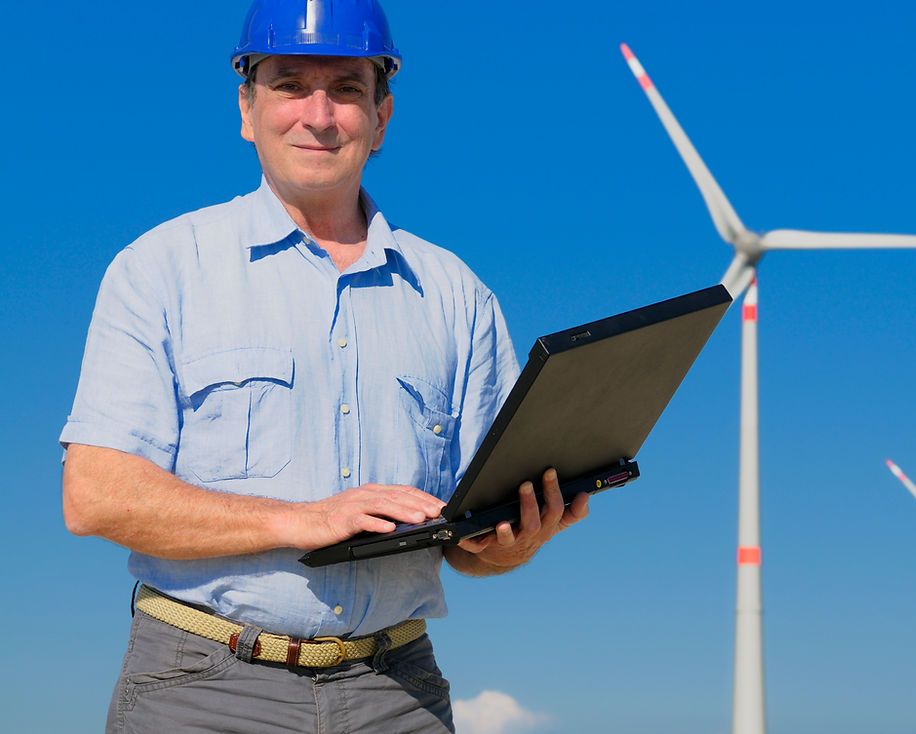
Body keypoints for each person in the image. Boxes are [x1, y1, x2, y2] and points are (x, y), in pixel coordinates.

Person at [59, 1, 589, 731]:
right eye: (288, 85)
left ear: (382, 117)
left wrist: (511, 540)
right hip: (202, 687)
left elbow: (469, 547)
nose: (319, 114)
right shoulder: (160, 270)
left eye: (345, 88)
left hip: (394, 691)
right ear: (247, 108)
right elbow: (97, 496)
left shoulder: (456, 296)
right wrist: (306, 519)